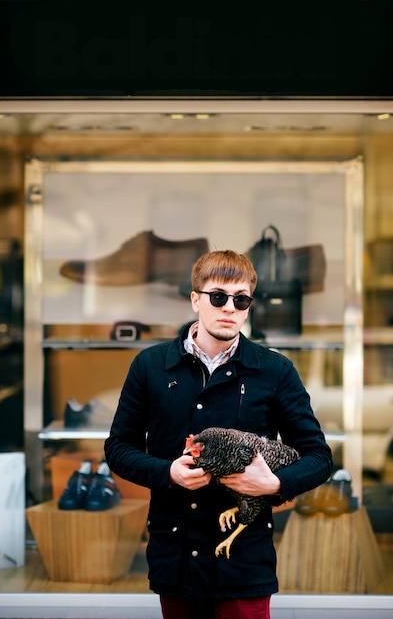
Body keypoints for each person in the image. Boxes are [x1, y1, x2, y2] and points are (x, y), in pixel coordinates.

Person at [104, 250, 333, 619]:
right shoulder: (150, 366)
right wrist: (168, 473)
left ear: (248, 306)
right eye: (218, 297)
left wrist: (273, 484)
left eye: (240, 299)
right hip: (174, 555)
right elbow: (118, 448)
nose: (229, 307)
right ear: (196, 300)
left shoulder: (274, 370)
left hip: (244, 561)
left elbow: (319, 456)